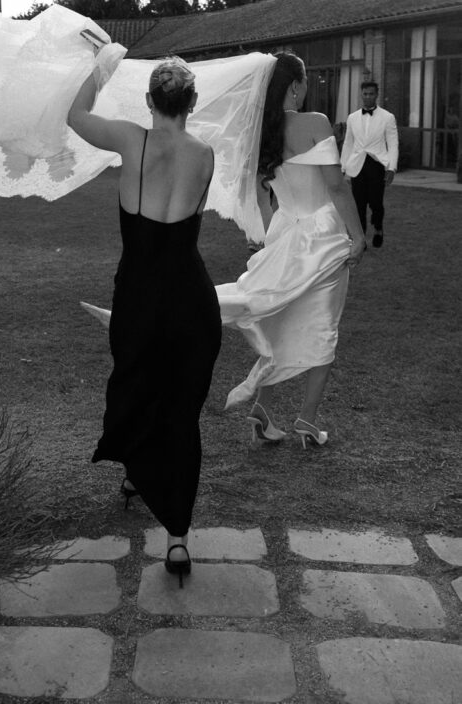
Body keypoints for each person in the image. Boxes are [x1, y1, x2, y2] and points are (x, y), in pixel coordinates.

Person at [68, 50, 222, 587]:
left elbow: (76, 115)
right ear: (192, 103)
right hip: (191, 300)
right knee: (181, 410)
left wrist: (103, 65)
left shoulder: (132, 140)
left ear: (149, 101)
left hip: (139, 294)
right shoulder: (205, 153)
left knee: (137, 386)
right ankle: (177, 539)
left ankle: (138, 471)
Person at [217, 52, 366, 448]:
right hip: (323, 234)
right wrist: (359, 235)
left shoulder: (261, 132)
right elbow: (336, 188)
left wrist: (266, 236)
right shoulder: (314, 123)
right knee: (323, 327)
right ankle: (307, 419)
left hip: (285, 233)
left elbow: (261, 193)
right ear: (296, 85)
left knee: (281, 320)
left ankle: (264, 410)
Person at [340, 81, 398, 248]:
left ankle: (378, 228)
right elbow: (348, 144)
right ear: (361, 94)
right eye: (365, 94)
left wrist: (391, 168)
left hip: (376, 164)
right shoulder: (352, 118)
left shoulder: (387, 117)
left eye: (371, 94)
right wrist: (342, 167)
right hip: (357, 165)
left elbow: (393, 144)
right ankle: (361, 239)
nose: (367, 97)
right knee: (358, 204)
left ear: (376, 95)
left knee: (376, 203)